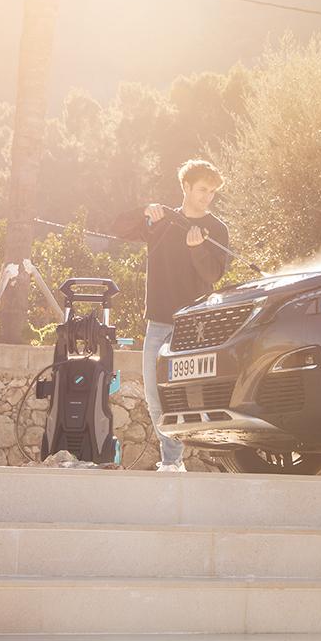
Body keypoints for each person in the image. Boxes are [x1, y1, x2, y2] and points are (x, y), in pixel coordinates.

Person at [114, 159, 229, 472]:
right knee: (155, 396)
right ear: (186, 187)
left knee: (193, 396)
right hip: (159, 323)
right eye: (203, 189)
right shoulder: (161, 220)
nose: (208, 197)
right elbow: (118, 227)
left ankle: (207, 456)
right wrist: (144, 211)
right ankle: (172, 461)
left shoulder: (218, 229)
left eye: (212, 192)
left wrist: (197, 249)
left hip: (197, 325)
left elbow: (213, 274)